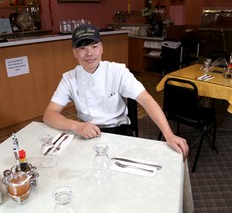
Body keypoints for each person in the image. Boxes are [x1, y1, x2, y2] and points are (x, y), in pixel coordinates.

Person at [43, 24, 189, 160]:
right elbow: (49, 115)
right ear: (74, 52)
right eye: (83, 48)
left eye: (94, 46)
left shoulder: (117, 71)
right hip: (86, 131)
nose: (90, 53)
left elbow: (146, 99)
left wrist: (169, 135)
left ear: (102, 48)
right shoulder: (69, 78)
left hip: (119, 131)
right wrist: (76, 126)